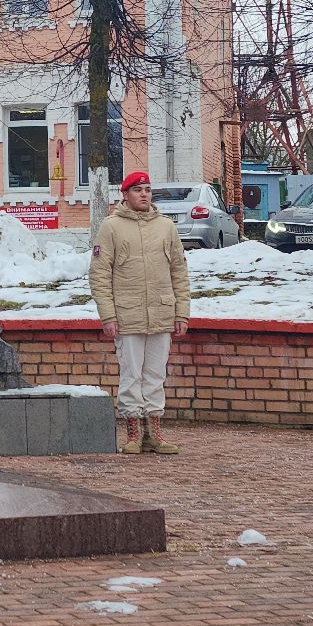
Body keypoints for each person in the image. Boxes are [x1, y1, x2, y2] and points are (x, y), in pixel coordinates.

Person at [90, 171, 191, 455]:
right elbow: (99, 274)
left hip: (161, 313)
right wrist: (108, 316)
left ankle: (154, 434)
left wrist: (181, 313)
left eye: (147, 189)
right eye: (137, 190)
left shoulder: (166, 227)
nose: (144, 194)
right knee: (131, 375)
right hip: (127, 315)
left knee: (155, 375)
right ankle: (133, 434)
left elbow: (179, 273)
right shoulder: (111, 227)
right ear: (125, 195)